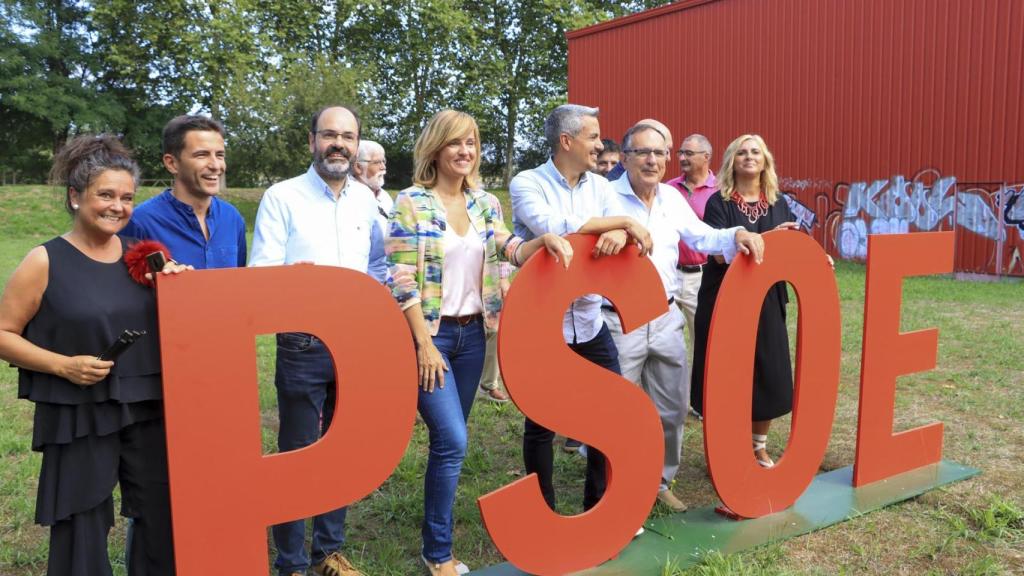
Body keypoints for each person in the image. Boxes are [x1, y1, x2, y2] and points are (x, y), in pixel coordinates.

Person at [387, 109, 572, 576]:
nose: (465, 152)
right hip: (431, 335)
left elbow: (509, 246)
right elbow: (401, 278)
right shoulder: (411, 202)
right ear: (435, 148)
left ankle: (437, 531)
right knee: (452, 440)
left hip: (473, 336)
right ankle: (438, 553)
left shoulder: (485, 202)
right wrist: (423, 346)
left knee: (451, 442)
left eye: (471, 143)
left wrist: (542, 240)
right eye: (455, 143)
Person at [0, 134, 187, 576]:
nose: (117, 206)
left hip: (147, 406)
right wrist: (62, 365)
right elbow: (3, 333)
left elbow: (175, 319)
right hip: (80, 411)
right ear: (74, 196)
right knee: (83, 520)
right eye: (105, 194)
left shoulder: (144, 258)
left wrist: (181, 287)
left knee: (163, 512)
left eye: (126, 198)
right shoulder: (44, 260)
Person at [250, 105, 385, 576]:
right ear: (311, 141)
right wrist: (295, 282)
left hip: (355, 343)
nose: (339, 144)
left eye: (348, 137)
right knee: (297, 453)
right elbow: (260, 273)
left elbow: (376, 267)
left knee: (341, 450)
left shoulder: (366, 200)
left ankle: (328, 552)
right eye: (330, 135)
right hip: (304, 344)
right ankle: (289, 562)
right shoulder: (282, 196)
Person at [605, 124, 763, 511]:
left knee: (672, 408)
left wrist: (736, 234)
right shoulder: (605, 197)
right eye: (643, 152)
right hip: (616, 320)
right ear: (624, 157)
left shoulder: (672, 199)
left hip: (664, 315)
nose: (652, 160)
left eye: (660, 153)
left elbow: (701, 236)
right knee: (618, 412)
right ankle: (617, 488)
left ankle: (660, 481)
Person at [511, 103, 653, 514]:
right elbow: (557, 227)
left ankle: (601, 508)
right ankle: (543, 511)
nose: (599, 145)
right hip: (543, 328)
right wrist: (622, 224)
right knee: (541, 425)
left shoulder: (601, 187)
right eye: (592, 137)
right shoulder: (527, 182)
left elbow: (614, 229)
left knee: (611, 417)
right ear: (566, 141)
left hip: (590, 324)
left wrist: (622, 229)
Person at [690, 134, 801, 468]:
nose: (749, 157)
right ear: (731, 161)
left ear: (765, 160)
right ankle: (723, 452)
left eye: (756, 152)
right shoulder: (719, 203)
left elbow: (787, 251)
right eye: (742, 152)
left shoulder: (779, 202)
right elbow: (720, 256)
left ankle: (758, 447)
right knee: (725, 376)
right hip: (725, 300)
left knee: (767, 372)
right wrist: (771, 240)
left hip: (767, 300)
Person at [121, 115, 246, 269]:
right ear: (172, 163)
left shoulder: (232, 218)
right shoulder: (140, 222)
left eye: (220, 155)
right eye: (202, 155)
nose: (215, 165)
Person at [664, 134, 717, 350]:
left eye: (689, 153)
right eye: (680, 153)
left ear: (706, 157)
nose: (682, 158)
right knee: (664, 339)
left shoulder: (722, 190)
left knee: (703, 340)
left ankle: (697, 384)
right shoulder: (668, 189)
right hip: (671, 274)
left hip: (702, 276)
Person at [477, 192, 513, 403]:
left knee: (495, 328)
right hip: (448, 283)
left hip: (488, 277)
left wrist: (503, 279)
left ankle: (489, 384)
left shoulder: (489, 201)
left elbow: (502, 242)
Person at [606, 119, 673, 181]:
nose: (669, 158)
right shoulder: (608, 190)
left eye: (659, 152)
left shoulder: (670, 192)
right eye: (644, 152)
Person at [351, 139, 392, 234]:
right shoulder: (346, 197)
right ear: (358, 167)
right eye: (377, 162)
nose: (383, 167)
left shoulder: (385, 197)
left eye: (384, 161)